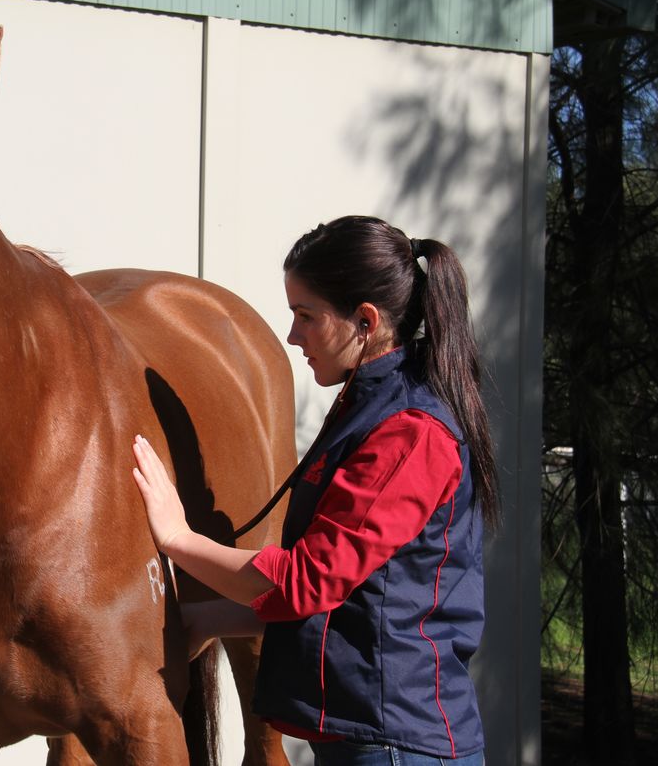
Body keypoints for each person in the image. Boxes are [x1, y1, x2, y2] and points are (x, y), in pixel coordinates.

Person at [132, 216, 498, 765]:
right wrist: (217, 617)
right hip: (374, 740)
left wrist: (179, 539)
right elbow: (363, 596)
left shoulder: (409, 434)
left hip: (395, 747)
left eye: (306, 316)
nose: (292, 335)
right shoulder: (371, 406)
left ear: (365, 322)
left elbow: (308, 581)